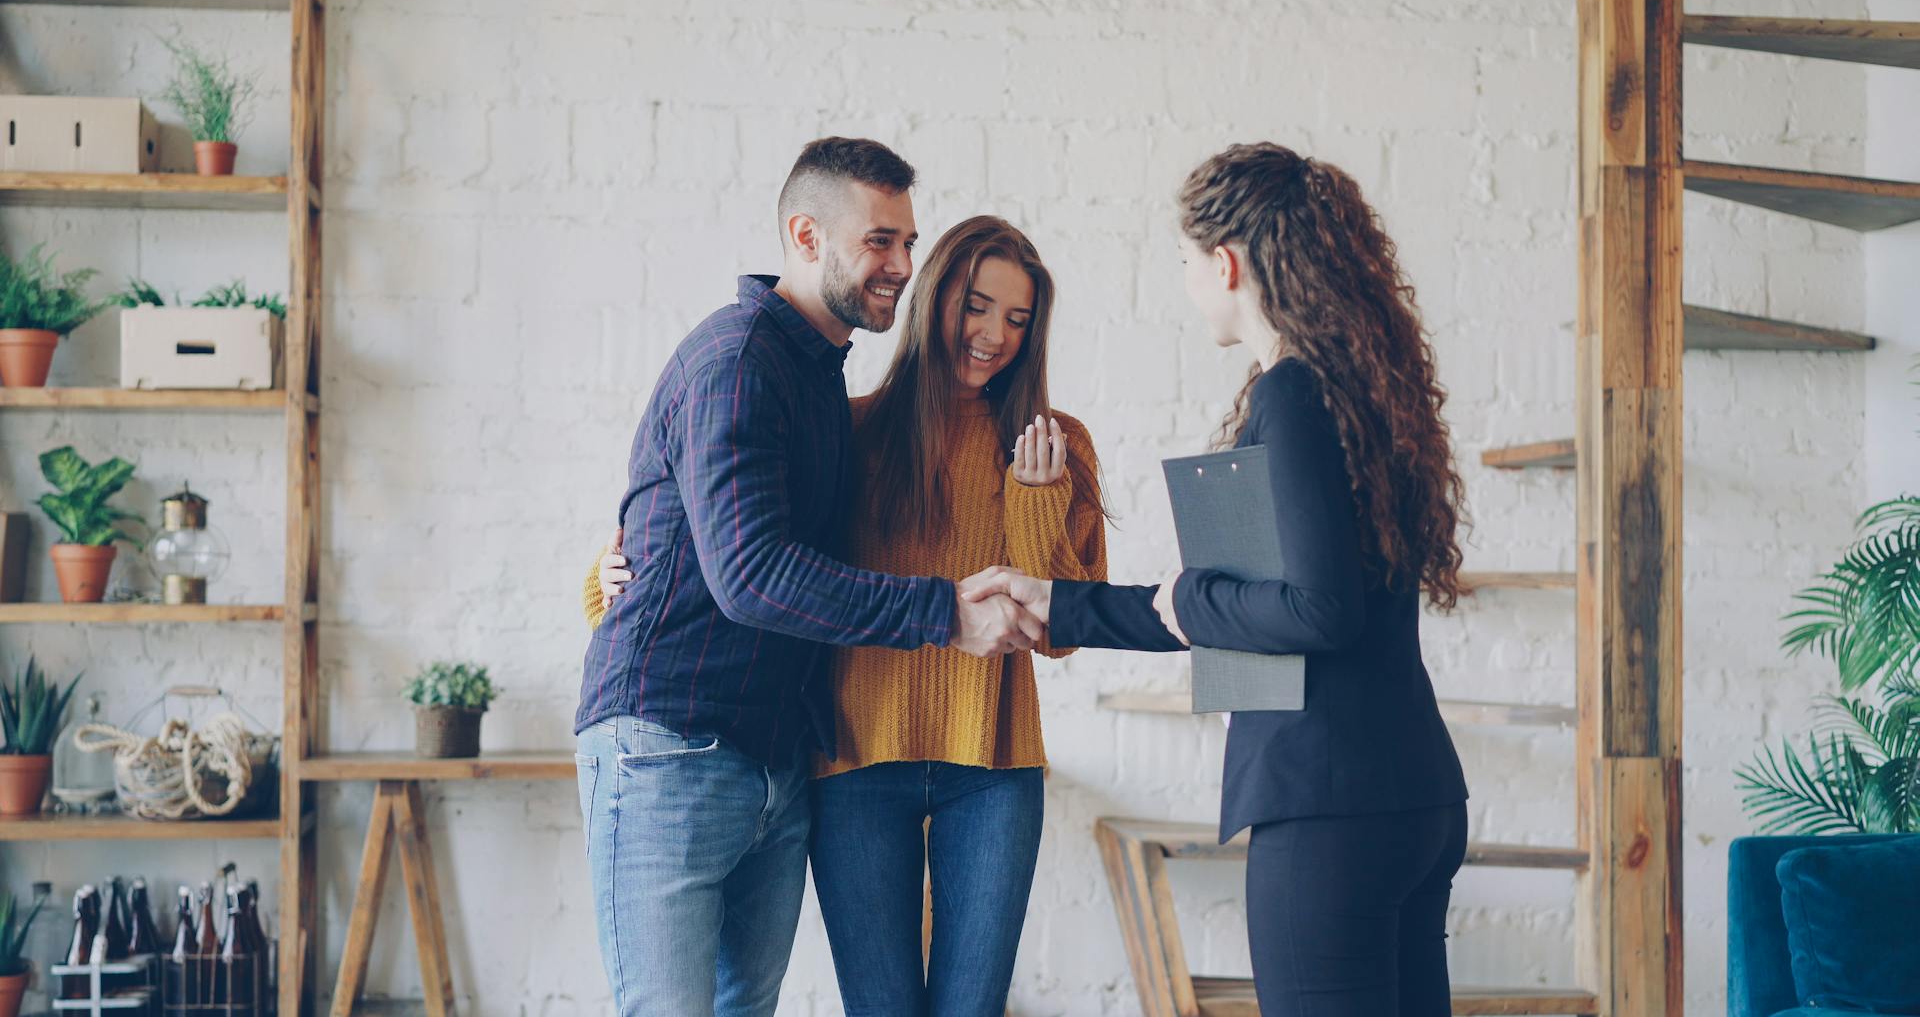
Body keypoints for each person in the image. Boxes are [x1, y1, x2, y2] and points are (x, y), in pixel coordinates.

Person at [966, 143, 1472, 1016]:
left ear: (1226, 262)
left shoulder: (1294, 395)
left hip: (1330, 805)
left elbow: (1316, 611)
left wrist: (1189, 597)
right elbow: (1250, 609)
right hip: (1412, 794)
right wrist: (1060, 602)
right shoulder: (1358, 393)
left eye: (1186, 261)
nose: (1188, 280)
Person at [593, 216, 1110, 1016]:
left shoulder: (1054, 445)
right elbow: (747, 549)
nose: (993, 336)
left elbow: (1064, 631)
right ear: (934, 298)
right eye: (976, 306)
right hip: (857, 766)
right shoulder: (854, 430)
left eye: (1017, 319)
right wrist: (607, 577)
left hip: (996, 770)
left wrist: (1036, 503)